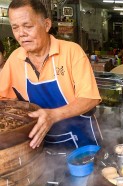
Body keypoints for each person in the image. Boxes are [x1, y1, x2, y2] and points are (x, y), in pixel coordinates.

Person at [0, 0, 102, 150]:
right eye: (15, 28)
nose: (21, 34)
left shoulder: (71, 51)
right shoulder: (15, 59)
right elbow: (5, 101)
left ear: (46, 25)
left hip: (82, 141)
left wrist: (53, 115)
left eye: (28, 26)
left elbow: (90, 98)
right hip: (40, 145)